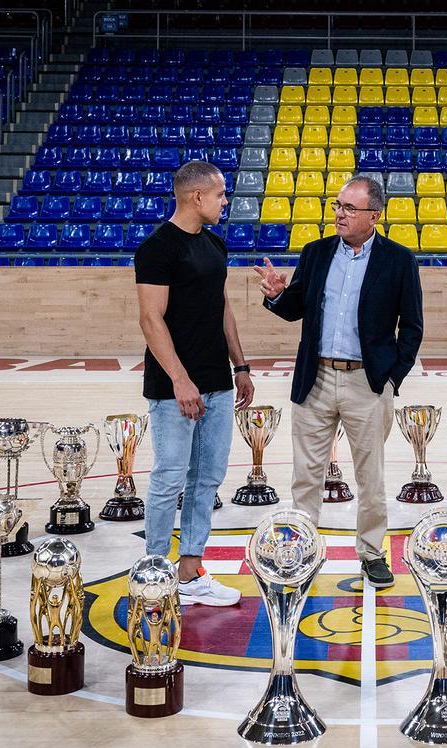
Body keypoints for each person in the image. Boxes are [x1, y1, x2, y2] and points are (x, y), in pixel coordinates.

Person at [255, 174, 424, 588]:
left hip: (365, 383)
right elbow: (296, 307)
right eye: (337, 206)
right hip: (315, 378)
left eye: (350, 208)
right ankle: (302, 550)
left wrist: (389, 378)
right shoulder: (315, 253)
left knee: (370, 477)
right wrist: (278, 294)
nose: (340, 214)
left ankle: (371, 554)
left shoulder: (399, 260)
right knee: (305, 475)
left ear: (375, 215)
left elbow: (413, 327)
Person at [135, 160, 254, 606]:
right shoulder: (157, 248)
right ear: (196, 196)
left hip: (218, 383)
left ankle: (190, 571)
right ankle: (153, 572)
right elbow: (150, 319)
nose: (226, 201)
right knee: (169, 478)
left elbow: (223, 309)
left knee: (207, 479)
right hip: (174, 387)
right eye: (221, 194)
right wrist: (180, 380)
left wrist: (240, 367)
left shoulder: (215, 245)